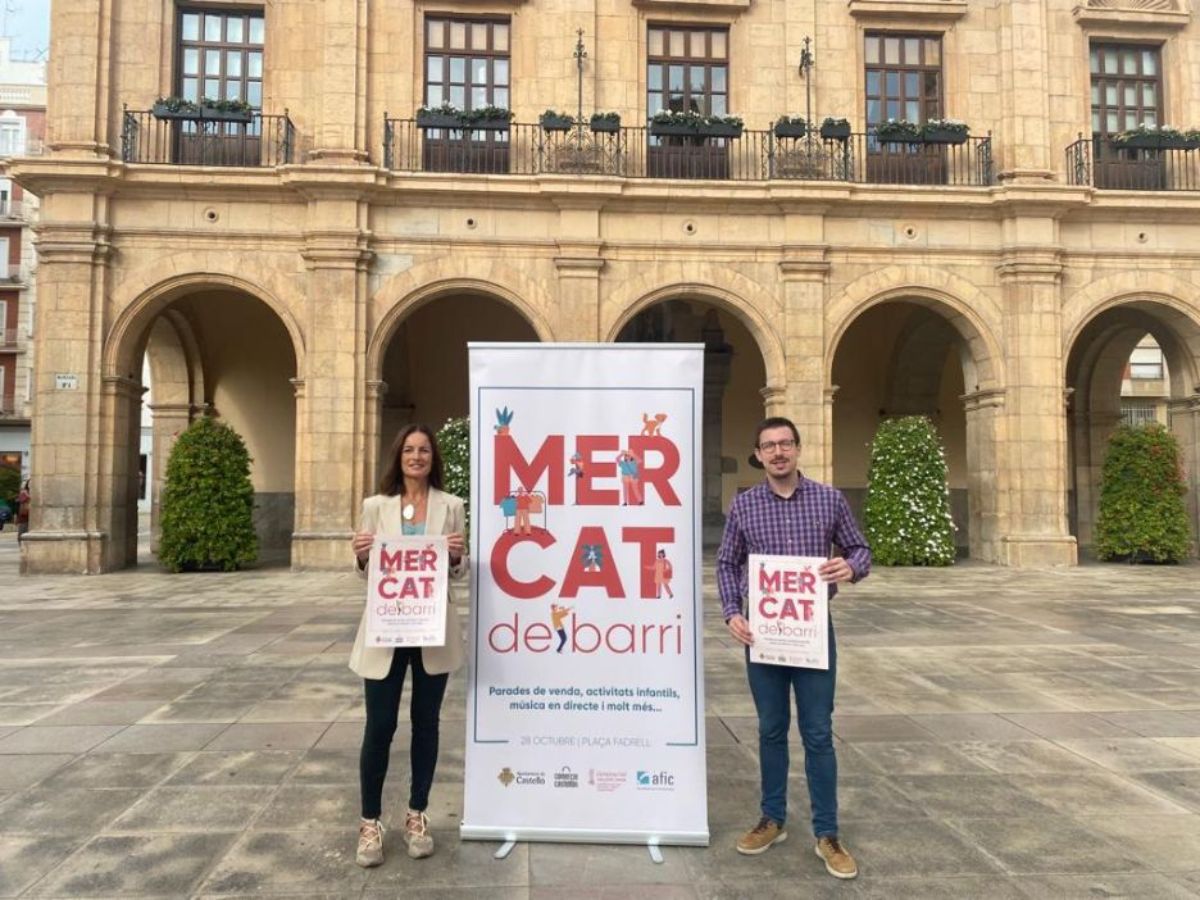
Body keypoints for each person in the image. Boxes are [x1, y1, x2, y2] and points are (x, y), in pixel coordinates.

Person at [716, 416, 870, 880]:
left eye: (785, 444)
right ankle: (772, 819)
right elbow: (726, 564)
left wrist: (850, 567)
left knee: (819, 732)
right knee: (770, 729)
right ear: (758, 455)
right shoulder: (744, 506)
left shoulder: (828, 499)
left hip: (811, 635)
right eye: (769, 446)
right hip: (762, 636)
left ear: (798, 450)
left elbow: (860, 549)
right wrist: (731, 612)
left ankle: (827, 833)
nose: (778, 452)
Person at [350, 424, 467, 868]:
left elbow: (458, 570)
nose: (416, 456)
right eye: (409, 450)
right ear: (398, 457)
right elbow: (364, 571)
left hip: (431, 631)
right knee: (379, 726)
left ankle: (417, 814)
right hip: (386, 631)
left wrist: (457, 555)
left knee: (426, 723)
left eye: (424, 450)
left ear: (433, 458)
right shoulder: (375, 507)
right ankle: (370, 822)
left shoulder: (451, 506)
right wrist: (361, 553)